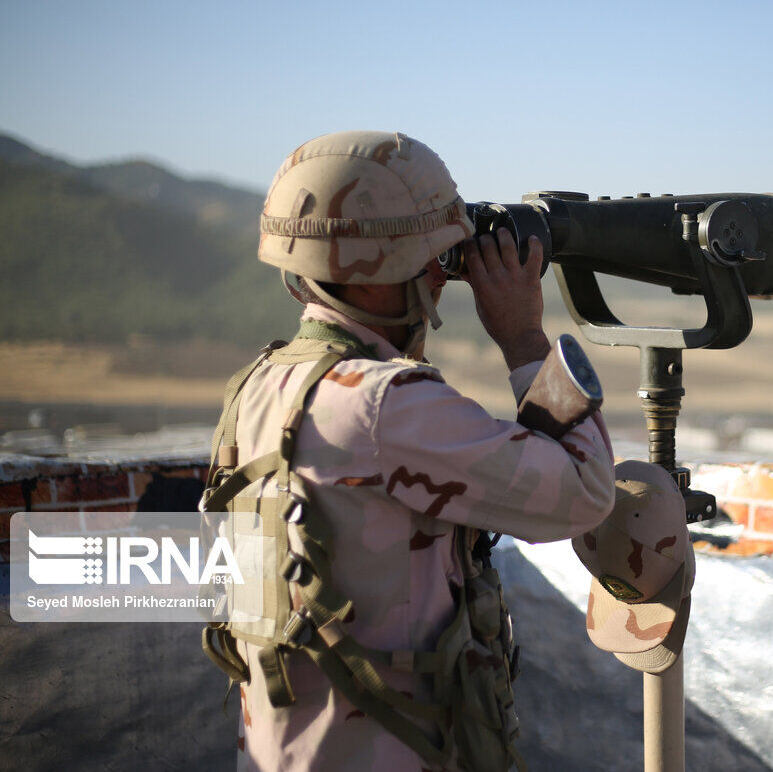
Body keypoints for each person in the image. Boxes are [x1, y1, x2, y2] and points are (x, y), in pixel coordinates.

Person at [203, 130, 616, 771]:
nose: (441, 277)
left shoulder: (258, 386)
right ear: (378, 274)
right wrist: (525, 341)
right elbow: (585, 493)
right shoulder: (385, 405)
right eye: (431, 258)